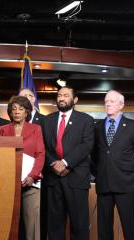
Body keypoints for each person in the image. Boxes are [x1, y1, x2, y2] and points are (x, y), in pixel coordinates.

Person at [92, 90, 134, 240]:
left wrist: (129, 170)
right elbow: (93, 155)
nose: (108, 103)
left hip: (125, 185)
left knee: (130, 229)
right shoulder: (97, 126)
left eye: (112, 101)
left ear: (121, 104)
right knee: (104, 231)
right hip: (104, 185)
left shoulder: (133, 127)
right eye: (106, 101)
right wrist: (98, 172)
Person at [41, 86, 94, 240]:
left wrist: (66, 163)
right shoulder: (47, 120)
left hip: (76, 178)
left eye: (65, 95)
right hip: (53, 179)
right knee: (55, 225)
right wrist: (53, 163)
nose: (61, 98)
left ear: (75, 99)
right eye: (59, 95)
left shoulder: (86, 120)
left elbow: (87, 145)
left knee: (79, 225)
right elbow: (42, 145)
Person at [1, 96, 45, 240]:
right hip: (7, 184)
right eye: (14, 109)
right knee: (6, 224)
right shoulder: (2, 130)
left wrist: (32, 176)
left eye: (21, 109)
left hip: (30, 183)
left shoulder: (36, 129)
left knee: (32, 224)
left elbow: (40, 154)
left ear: (27, 112)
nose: (17, 112)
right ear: (10, 112)